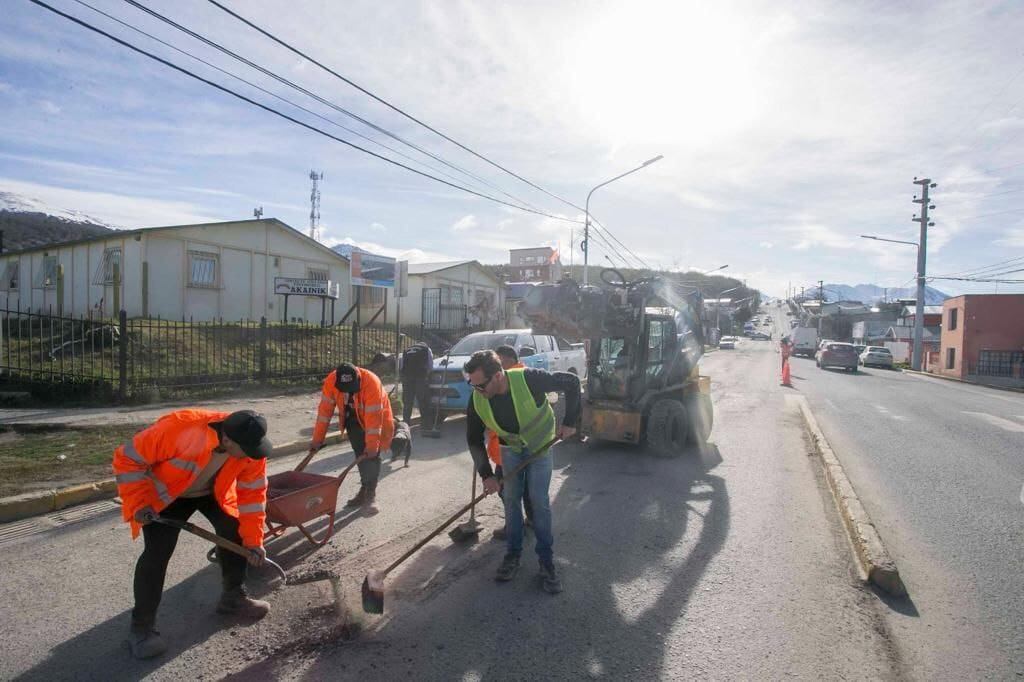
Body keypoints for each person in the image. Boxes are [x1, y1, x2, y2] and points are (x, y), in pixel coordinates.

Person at [112, 409, 273, 660]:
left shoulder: (250, 446)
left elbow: (252, 497)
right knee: (158, 552)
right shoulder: (179, 429)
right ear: (228, 440)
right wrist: (139, 502)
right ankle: (141, 629)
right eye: (249, 449)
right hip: (168, 496)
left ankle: (233, 597)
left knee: (235, 533)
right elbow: (127, 458)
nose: (254, 454)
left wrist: (254, 541)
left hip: (211, 492)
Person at [464, 349, 580, 594]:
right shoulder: (477, 399)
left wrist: (570, 421)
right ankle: (513, 555)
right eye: (472, 385)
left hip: (540, 446)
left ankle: (546, 561)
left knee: (539, 502)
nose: (477, 391)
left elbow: (571, 382)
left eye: (480, 385)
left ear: (498, 376)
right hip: (511, 448)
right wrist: (487, 475)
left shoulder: (528, 378)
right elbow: (474, 439)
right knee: (510, 500)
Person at [310, 362, 395, 507]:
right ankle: (364, 488)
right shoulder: (332, 381)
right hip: (352, 418)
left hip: (377, 419)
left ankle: (370, 494)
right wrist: (317, 440)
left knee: (371, 457)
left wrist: (372, 447)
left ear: (358, 378)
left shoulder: (371, 383)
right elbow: (324, 413)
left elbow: (374, 423)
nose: (348, 392)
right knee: (360, 454)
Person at [487, 345, 531, 540]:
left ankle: (514, 525)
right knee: (527, 488)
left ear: (512, 360)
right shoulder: (525, 375)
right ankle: (532, 519)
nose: (498, 368)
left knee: (506, 491)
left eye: (501, 362)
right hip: (525, 447)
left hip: (510, 448)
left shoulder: (512, 380)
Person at [399, 342, 433, 424]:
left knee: (407, 402)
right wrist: (427, 375)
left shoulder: (407, 350)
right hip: (420, 377)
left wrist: (403, 378)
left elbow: (401, 365)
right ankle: (425, 424)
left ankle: (405, 424)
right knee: (422, 401)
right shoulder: (426, 349)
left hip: (407, 378)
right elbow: (430, 365)